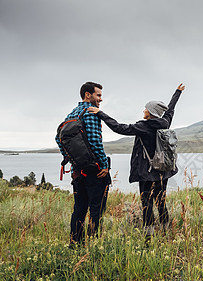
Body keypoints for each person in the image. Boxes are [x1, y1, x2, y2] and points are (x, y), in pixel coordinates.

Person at [88, 83, 185, 240]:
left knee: (147, 204)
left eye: (146, 108)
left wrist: (100, 113)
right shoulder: (165, 122)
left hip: (147, 173)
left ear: (151, 112)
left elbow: (119, 128)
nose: (144, 111)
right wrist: (177, 93)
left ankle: (148, 238)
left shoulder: (143, 127)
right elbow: (170, 109)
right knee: (161, 202)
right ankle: (167, 233)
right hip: (163, 170)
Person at [56, 81, 111, 246]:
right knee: (96, 210)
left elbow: (59, 138)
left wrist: (72, 160)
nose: (100, 99)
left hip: (78, 171)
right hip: (95, 171)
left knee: (79, 210)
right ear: (88, 95)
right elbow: (95, 142)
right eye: (98, 95)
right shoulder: (91, 112)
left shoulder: (72, 113)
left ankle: (75, 245)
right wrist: (103, 165)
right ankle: (93, 247)